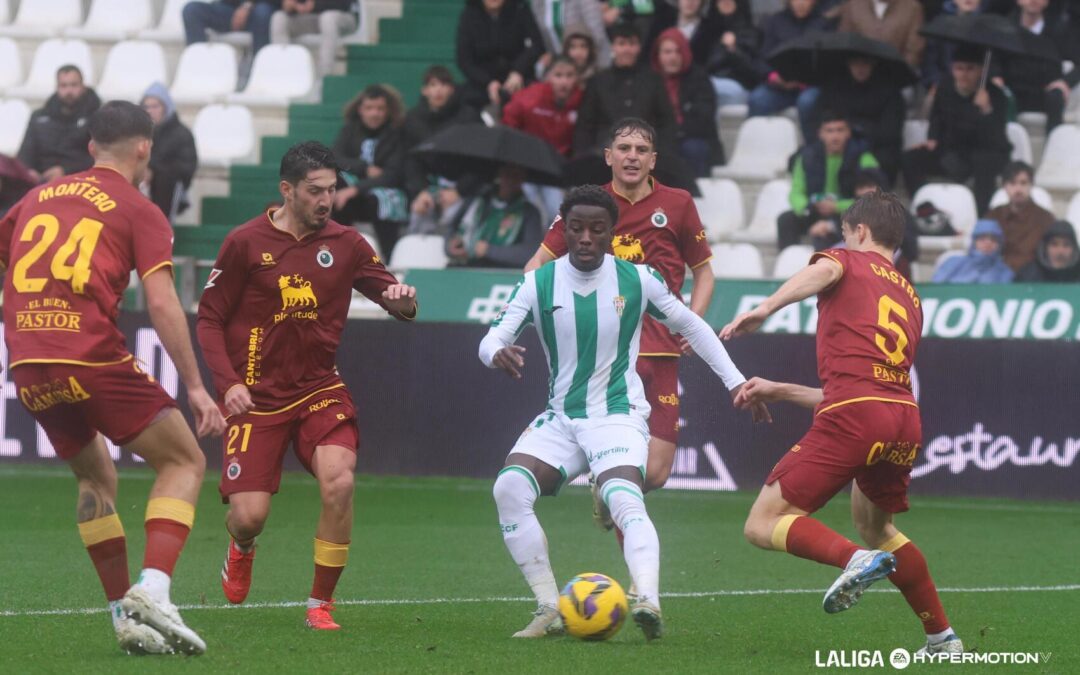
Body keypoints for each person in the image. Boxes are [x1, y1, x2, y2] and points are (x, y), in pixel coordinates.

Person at [481, 184, 766, 640]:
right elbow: (492, 335)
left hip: (617, 413)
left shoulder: (637, 280)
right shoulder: (539, 282)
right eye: (577, 229)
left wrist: (737, 382)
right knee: (509, 487)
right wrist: (495, 352)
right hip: (561, 416)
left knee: (622, 496)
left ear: (613, 232)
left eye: (597, 229)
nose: (587, 238)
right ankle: (548, 606)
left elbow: (691, 324)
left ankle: (648, 599)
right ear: (565, 230)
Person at [0, 101, 225, 655]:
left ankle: (122, 615)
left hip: (28, 359)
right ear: (145, 148)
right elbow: (162, 301)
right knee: (184, 459)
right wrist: (196, 387)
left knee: (95, 478)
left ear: (90, 146)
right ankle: (154, 589)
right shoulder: (138, 208)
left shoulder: (34, 198)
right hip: (88, 352)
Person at [722, 190, 964, 658]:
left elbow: (825, 269)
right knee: (878, 527)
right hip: (902, 419)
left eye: (846, 235)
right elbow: (865, 388)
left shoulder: (845, 261)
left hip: (858, 414)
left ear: (860, 232)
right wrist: (780, 389)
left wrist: (766, 307)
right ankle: (942, 638)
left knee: (762, 523)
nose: (843, 243)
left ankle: (855, 560)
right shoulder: (911, 297)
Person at [196, 141, 418, 631]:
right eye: (315, 191)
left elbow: (395, 302)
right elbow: (209, 319)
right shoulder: (244, 243)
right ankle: (242, 546)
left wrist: (402, 300)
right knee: (249, 516)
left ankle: (321, 603)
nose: (326, 200)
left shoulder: (348, 244)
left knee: (339, 480)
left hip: (319, 388)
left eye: (332, 190)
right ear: (286, 190)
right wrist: (227, 383)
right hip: (255, 398)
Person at [525, 118, 716, 523]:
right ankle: (634, 572)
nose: (632, 156)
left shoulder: (678, 203)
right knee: (622, 473)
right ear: (609, 156)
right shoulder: (589, 207)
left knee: (658, 472)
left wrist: (692, 324)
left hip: (662, 352)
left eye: (641, 150)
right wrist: (528, 312)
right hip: (605, 356)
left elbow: (705, 272)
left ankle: (605, 486)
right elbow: (538, 264)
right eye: (624, 148)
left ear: (653, 160)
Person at [571, 24, 695, 192]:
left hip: (648, 156)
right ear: (613, 47)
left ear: (638, 47)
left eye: (631, 44)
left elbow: (667, 121)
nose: (627, 49)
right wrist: (585, 155)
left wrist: (660, 154)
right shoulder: (598, 81)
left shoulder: (653, 80)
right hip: (603, 158)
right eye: (622, 44)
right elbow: (585, 124)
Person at [901, 48, 1010, 214]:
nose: (964, 74)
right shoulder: (945, 88)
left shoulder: (996, 95)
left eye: (970, 69)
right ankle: (925, 208)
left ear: (981, 70)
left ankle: (980, 214)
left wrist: (987, 110)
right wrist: (932, 138)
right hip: (951, 148)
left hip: (984, 151)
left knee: (985, 163)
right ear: (952, 69)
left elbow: (997, 139)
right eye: (959, 68)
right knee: (911, 158)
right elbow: (936, 116)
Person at [778, 111, 879, 251]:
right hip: (814, 210)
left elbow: (874, 199)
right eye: (830, 131)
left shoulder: (863, 158)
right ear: (821, 134)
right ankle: (787, 261)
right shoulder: (806, 157)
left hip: (848, 214)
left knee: (830, 231)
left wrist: (837, 206)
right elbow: (796, 192)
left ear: (848, 133)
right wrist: (807, 208)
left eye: (840, 130)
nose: (835, 136)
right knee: (786, 220)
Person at [401, 66, 481, 236]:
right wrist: (420, 191)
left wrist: (459, 191)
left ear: (451, 89)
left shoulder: (469, 117)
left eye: (443, 85)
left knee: (460, 220)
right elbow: (410, 160)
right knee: (418, 214)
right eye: (433, 85)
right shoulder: (413, 119)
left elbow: (480, 162)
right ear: (424, 90)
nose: (438, 90)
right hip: (428, 187)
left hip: (463, 189)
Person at [502, 55, 584, 221]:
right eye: (558, 75)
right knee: (530, 211)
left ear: (577, 78)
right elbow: (508, 124)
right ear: (548, 77)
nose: (564, 82)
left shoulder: (581, 100)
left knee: (557, 213)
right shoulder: (530, 98)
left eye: (569, 76)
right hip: (527, 165)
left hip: (557, 170)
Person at [332, 84, 408, 257]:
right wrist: (364, 168)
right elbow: (335, 157)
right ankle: (337, 251)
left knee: (381, 201)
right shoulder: (350, 130)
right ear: (360, 109)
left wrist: (357, 189)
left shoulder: (397, 134)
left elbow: (393, 174)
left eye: (380, 109)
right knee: (333, 190)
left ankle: (388, 260)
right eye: (369, 108)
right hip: (351, 193)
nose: (375, 113)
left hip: (383, 191)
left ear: (388, 110)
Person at [746, 0, 830, 141]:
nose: (800, 3)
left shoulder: (825, 23)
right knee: (757, 99)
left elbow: (830, 62)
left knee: (807, 102)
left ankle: (812, 150)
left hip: (811, 85)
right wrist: (773, 77)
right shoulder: (775, 22)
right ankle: (757, 144)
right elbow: (761, 59)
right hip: (780, 85)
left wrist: (807, 80)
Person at [814, 55, 905, 182]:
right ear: (848, 64)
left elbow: (890, 131)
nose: (860, 68)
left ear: (873, 64)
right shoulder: (835, 87)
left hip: (877, 146)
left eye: (865, 63)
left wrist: (857, 132)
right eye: (856, 63)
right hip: (840, 142)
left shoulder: (890, 91)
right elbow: (824, 119)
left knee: (885, 163)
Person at [651, 28, 724, 177]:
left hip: (693, 138)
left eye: (678, 51)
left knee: (692, 148)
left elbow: (704, 117)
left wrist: (676, 132)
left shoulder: (699, 78)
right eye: (667, 52)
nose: (673, 57)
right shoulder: (648, 81)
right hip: (660, 139)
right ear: (658, 55)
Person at [998, 0, 1078, 133]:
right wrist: (996, 77)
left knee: (1056, 96)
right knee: (1000, 96)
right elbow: (995, 59)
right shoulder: (1006, 28)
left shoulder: (1058, 30)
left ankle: (1054, 147)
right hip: (1015, 90)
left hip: (1046, 91)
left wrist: (1065, 82)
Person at [445, 165, 544, 268]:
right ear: (499, 174)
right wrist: (450, 245)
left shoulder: (529, 212)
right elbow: (452, 228)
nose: (510, 180)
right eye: (507, 174)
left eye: (516, 176)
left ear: (523, 179)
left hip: (502, 274)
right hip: (467, 268)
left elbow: (531, 253)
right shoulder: (476, 201)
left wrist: (489, 250)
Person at [456, 0, 545, 110]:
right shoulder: (469, 15)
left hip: (519, 79)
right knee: (466, 107)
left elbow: (537, 45)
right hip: (482, 83)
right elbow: (464, 60)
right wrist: (488, 82)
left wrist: (518, 71)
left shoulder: (520, 9)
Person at [17, 65, 100, 184]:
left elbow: (100, 156)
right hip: (40, 181)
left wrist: (66, 170)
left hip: (79, 180)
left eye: (74, 85)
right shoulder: (39, 116)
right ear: (57, 87)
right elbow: (25, 151)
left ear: (83, 87)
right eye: (64, 85)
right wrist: (28, 171)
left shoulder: (97, 117)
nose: (69, 91)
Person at [140, 83, 198, 224]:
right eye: (146, 107)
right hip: (142, 182)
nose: (150, 111)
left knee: (165, 180)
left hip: (169, 186)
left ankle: (163, 230)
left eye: (155, 106)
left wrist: (152, 170)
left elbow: (186, 167)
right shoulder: (138, 133)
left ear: (166, 107)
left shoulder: (181, 134)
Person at [984, 161, 1055, 272]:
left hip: (1032, 279)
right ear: (1005, 187)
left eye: (1023, 183)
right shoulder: (993, 216)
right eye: (1012, 183)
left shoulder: (1045, 219)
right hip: (996, 277)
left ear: (1031, 185)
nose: (1018, 189)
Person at [270, 0, 359, 77]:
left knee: (328, 19)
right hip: (313, 17)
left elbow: (345, 4)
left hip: (344, 16)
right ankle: (283, 75)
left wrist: (315, 4)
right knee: (279, 18)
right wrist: (287, 4)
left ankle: (324, 78)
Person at [837, 0, 925, 68]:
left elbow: (914, 52)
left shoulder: (913, 8)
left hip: (896, 79)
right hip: (858, 77)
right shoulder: (853, 5)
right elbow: (844, 44)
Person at [531, 0, 612, 72]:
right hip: (561, 72)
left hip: (594, 67)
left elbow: (597, 36)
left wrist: (575, 59)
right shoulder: (537, 3)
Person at [932, 219, 1015, 283]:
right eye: (982, 238)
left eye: (993, 239)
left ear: (999, 245)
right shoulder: (953, 262)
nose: (988, 243)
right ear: (974, 242)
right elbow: (936, 290)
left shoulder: (1005, 272)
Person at [182, 0, 277, 54]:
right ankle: (200, 66)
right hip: (230, 10)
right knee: (192, 10)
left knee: (262, 13)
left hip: (259, 9)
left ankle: (259, 68)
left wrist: (247, 5)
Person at [1015, 220, 1080, 282]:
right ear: (1045, 248)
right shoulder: (1028, 275)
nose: (1060, 251)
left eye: (1066, 245)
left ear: (1074, 249)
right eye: (1054, 244)